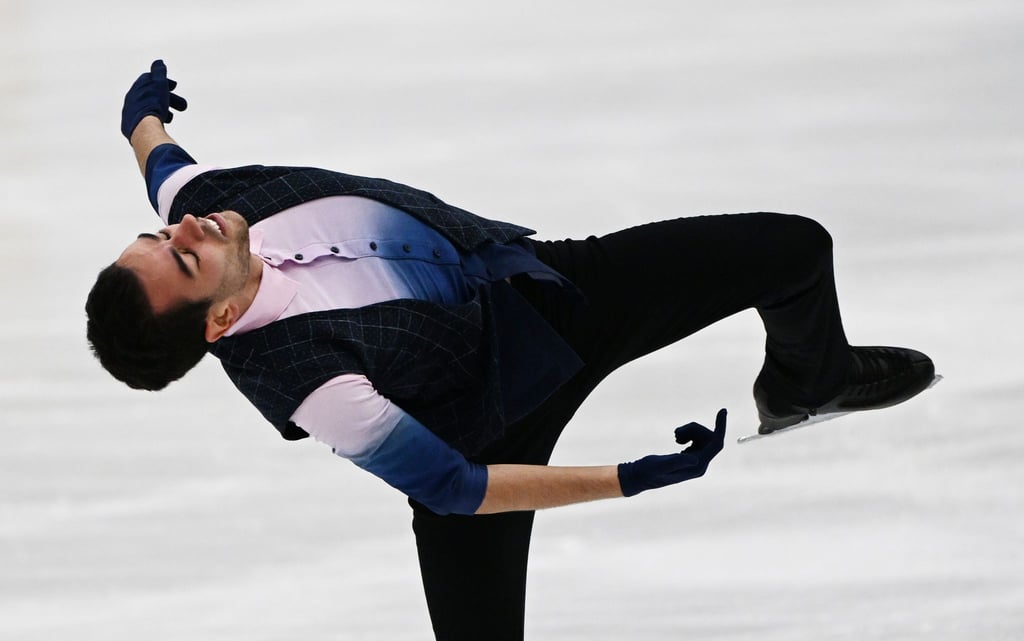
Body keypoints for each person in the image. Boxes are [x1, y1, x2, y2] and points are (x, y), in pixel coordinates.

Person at [86, 60, 935, 640]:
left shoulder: (208, 202)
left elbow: (159, 159)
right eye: (187, 255)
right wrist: (630, 477)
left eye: (161, 235)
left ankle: (804, 381)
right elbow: (456, 488)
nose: (186, 226)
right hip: (482, 433)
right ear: (214, 321)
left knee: (793, 251)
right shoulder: (305, 380)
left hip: (551, 296)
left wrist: (140, 112)